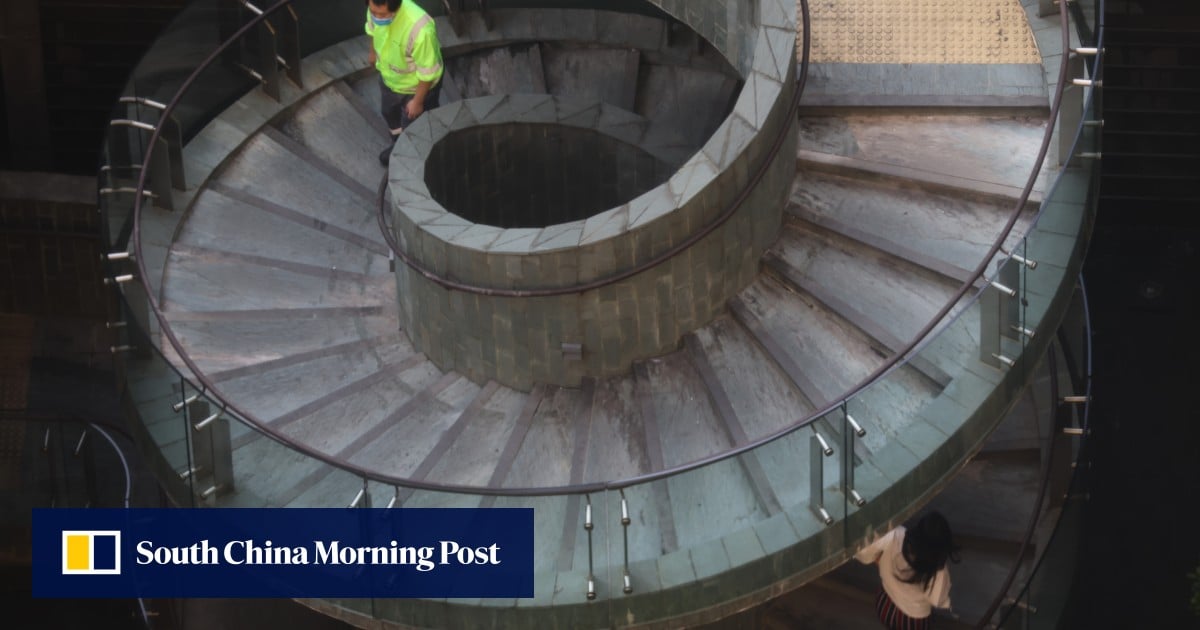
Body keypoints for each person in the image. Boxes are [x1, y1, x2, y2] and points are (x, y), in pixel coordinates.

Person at [365, 0, 444, 165]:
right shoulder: (374, 8)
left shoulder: (420, 30)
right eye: (374, 12)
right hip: (390, 80)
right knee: (390, 114)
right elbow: (372, 29)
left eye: (383, 14)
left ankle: (420, 161)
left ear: (397, 7)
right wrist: (372, 52)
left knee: (417, 129)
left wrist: (418, 101)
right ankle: (399, 147)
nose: (377, 17)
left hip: (416, 90)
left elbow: (428, 73)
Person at [854, 511, 960, 629]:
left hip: (885, 606)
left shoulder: (895, 534)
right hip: (913, 622)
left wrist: (878, 559)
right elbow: (937, 600)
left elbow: (863, 552)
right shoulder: (938, 572)